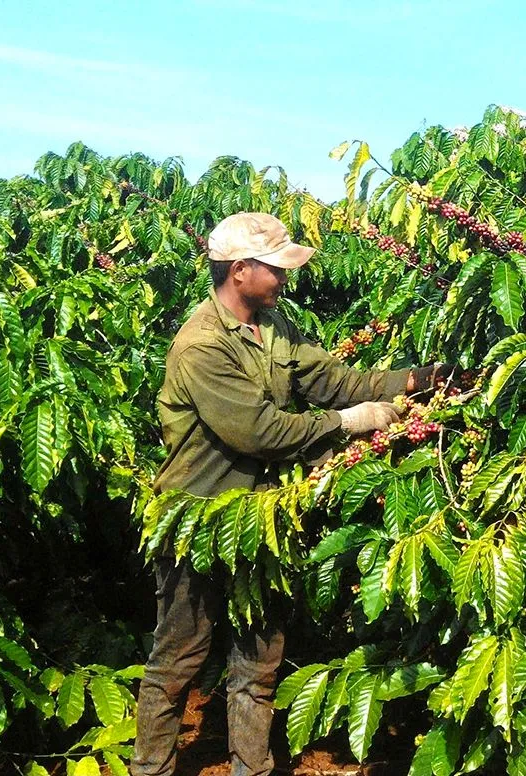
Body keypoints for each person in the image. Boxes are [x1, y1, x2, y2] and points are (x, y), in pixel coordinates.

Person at [132, 212, 449, 776]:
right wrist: (348, 423)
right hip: (200, 520)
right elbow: (260, 432)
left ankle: (250, 769)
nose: (285, 279)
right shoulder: (203, 345)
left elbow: (337, 381)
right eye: (275, 269)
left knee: (259, 658)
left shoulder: (274, 327)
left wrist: (423, 379)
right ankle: (150, 769)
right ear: (239, 270)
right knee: (179, 656)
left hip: (264, 516)